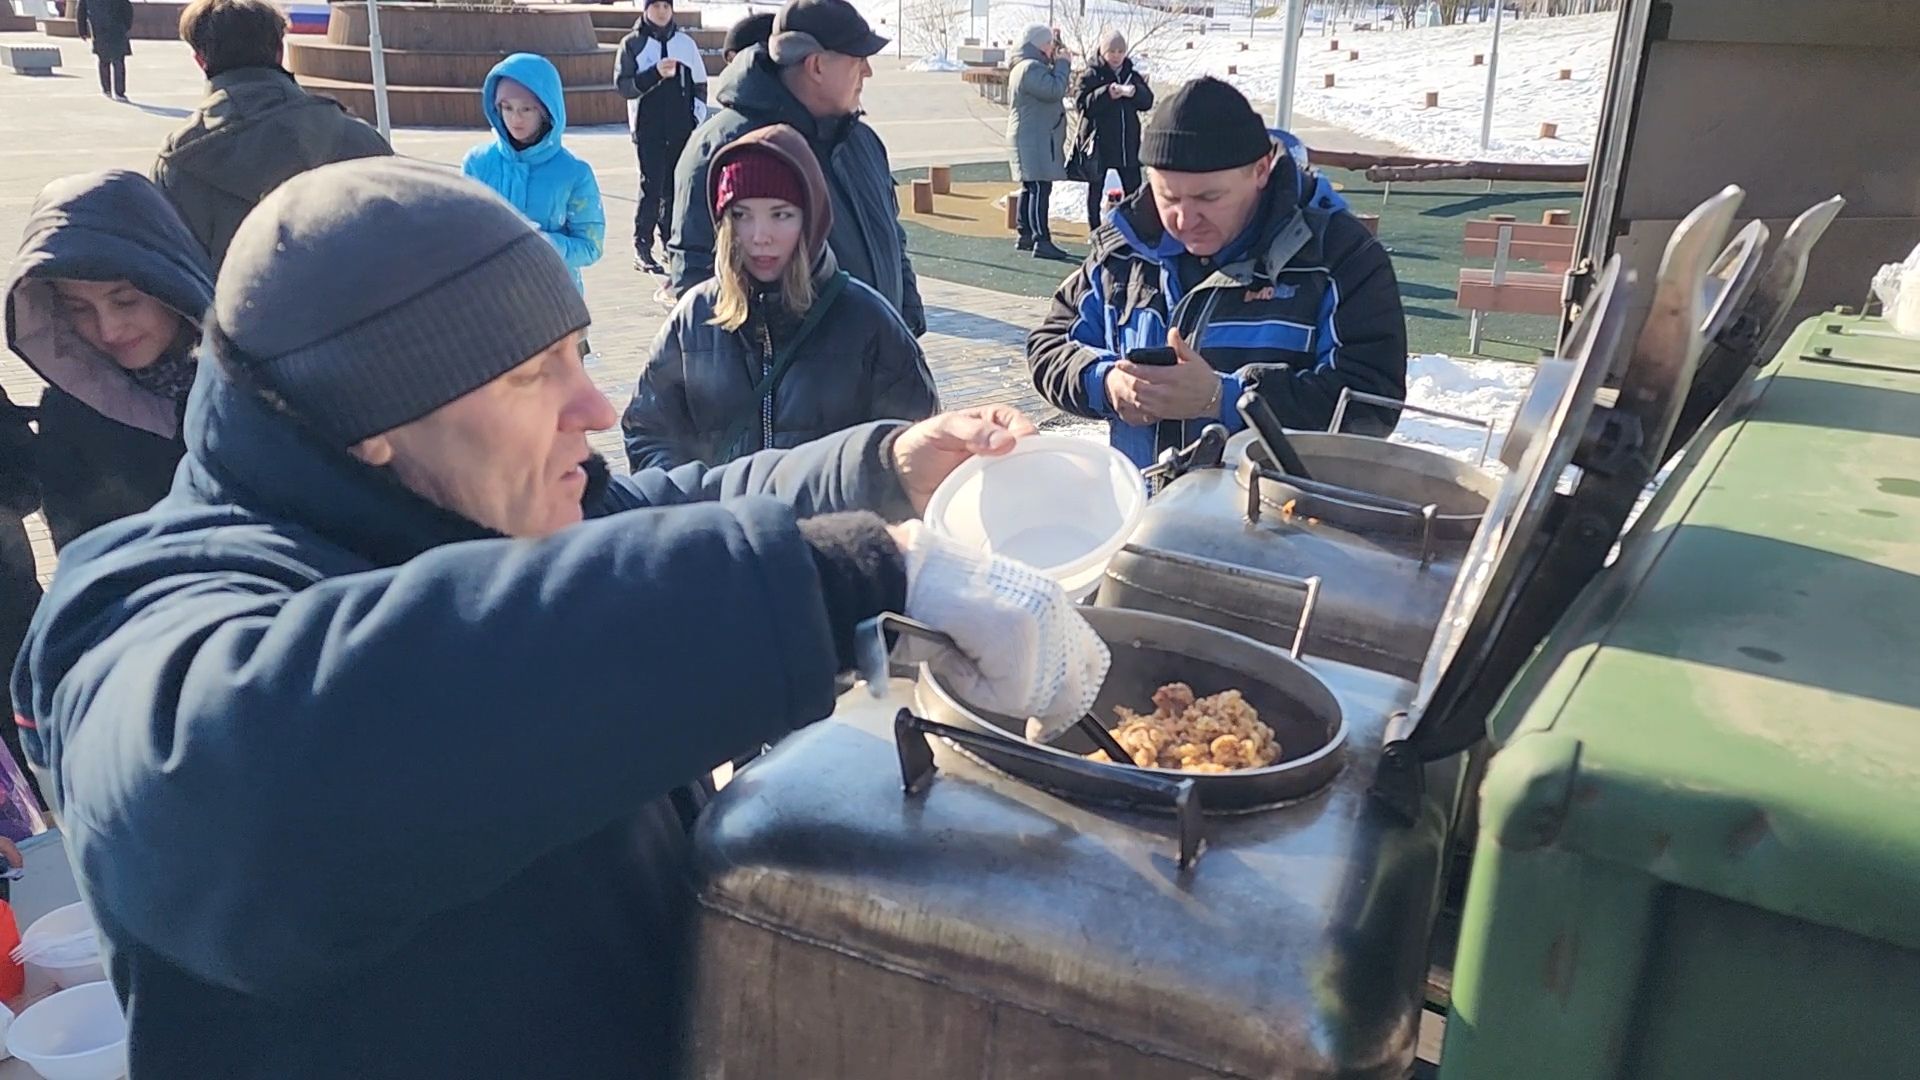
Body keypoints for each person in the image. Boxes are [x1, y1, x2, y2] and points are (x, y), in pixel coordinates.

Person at [8, 157, 1103, 1079]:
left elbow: (670, 515)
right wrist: (848, 578)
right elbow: (230, 788)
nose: (596, 406)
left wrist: (882, 472)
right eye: (537, 374)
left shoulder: (481, 502)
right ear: (375, 417)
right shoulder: (132, 608)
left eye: (580, 352)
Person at [1028, 77, 1408, 468]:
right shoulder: (1124, 248)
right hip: (1146, 513)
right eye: (1168, 197)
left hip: (1277, 517)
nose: (1185, 218)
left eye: (1209, 198)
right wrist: (1108, 384)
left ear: (1261, 171)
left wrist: (1224, 399)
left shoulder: (1340, 254)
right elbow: (1049, 346)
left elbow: (1372, 402)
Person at [624, 126, 938, 470]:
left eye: (781, 215)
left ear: (812, 220)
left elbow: (916, 443)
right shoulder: (693, 319)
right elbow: (648, 431)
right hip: (721, 522)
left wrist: (844, 503)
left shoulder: (868, 320)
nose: (760, 236)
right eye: (742, 215)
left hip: (834, 523)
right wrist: (694, 501)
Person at [670, 0, 926, 338]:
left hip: (879, 373)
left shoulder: (861, 141)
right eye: (858, 58)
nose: (868, 72)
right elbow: (696, 277)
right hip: (790, 384)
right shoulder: (723, 146)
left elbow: (892, 236)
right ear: (816, 66)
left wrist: (905, 322)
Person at [4, 170, 215, 550]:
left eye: (125, 301)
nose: (109, 330)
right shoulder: (72, 414)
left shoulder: (259, 387)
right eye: (78, 308)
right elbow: (83, 562)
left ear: (173, 283)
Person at [153, 0, 391, 267]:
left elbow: (176, 277)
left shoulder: (178, 160)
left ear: (200, 60)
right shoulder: (358, 138)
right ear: (279, 51)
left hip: (229, 306)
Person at [464, 53, 606, 302]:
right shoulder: (478, 163)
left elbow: (590, 246)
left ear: (545, 111)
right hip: (489, 302)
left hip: (553, 305)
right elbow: (461, 232)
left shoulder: (573, 173)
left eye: (526, 109)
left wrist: (544, 244)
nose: (515, 119)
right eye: (507, 108)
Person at [616, 0, 708, 276]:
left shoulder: (685, 44)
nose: (661, 11)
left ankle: (671, 242)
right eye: (655, 6)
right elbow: (624, 86)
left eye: (666, 6)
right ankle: (642, 245)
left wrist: (696, 117)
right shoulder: (632, 44)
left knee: (676, 186)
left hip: (680, 128)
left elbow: (700, 83)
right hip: (648, 128)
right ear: (645, 9)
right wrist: (654, 74)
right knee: (652, 186)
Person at [1072, 29, 1153, 230]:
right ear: (1103, 52)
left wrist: (1135, 93)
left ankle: (1133, 230)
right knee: (1096, 188)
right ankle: (1094, 229)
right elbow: (1081, 104)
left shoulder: (1131, 75)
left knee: (1134, 190)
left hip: (1126, 144)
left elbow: (1147, 102)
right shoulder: (1091, 74)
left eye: (1120, 51)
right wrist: (1107, 93)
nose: (1116, 56)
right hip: (1099, 142)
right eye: (1112, 51)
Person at [1008, 24, 1073, 261]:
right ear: (1038, 46)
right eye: (1048, 44)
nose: (1051, 49)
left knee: (1030, 185)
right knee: (1040, 186)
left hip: (1031, 135)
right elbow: (1055, 90)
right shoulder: (1031, 68)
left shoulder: (1024, 66)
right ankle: (1041, 240)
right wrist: (1064, 64)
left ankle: (1025, 233)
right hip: (1033, 137)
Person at [73, 0, 133, 101]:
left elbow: (81, 11)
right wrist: (126, 26)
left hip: (100, 29)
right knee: (118, 61)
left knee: (104, 60)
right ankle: (119, 92)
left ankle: (107, 90)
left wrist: (82, 30)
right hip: (117, 29)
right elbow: (128, 9)